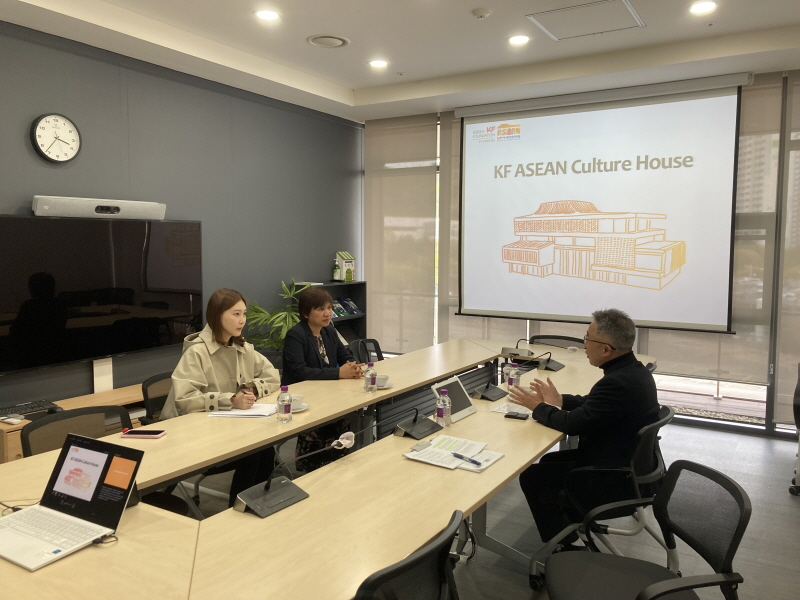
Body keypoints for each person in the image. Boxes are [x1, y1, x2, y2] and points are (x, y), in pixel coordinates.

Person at [508, 308, 659, 551]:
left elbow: (572, 424)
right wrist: (560, 401)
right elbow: (593, 404)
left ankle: (568, 546)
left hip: (614, 479)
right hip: (629, 466)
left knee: (531, 477)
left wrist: (537, 407)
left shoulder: (616, 382)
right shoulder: (633, 372)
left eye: (588, 339)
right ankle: (572, 522)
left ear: (606, 349)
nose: (584, 345)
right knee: (549, 462)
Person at [160, 288, 281, 506]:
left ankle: (257, 505)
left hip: (227, 428)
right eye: (236, 314)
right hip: (189, 434)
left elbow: (272, 376)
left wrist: (251, 389)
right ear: (217, 315)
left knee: (264, 448)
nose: (242, 320)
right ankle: (238, 509)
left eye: (244, 314)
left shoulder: (242, 347)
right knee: (252, 451)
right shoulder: (197, 352)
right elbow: (186, 399)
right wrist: (230, 400)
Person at [281, 287, 364, 471]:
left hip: (327, 392)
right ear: (305, 313)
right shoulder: (296, 335)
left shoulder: (329, 331)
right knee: (330, 418)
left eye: (329, 307)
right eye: (320, 309)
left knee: (342, 415)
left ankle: (338, 460)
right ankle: (313, 465)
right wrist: (338, 373)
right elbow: (299, 372)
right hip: (302, 396)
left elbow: (344, 356)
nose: (327, 313)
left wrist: (353, 366)